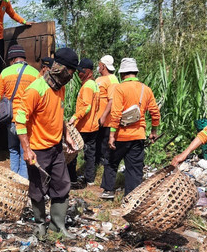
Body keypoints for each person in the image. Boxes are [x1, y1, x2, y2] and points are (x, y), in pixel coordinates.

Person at [15, 47, 79, 237]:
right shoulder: (35, 90)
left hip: (56, 148)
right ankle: (40, 226)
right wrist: (26, 150)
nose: (71, 76)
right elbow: (20, 119)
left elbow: (59, 113)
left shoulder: (60, 88)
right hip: (38, 150)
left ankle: (58, 226)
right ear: (59, 68)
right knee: (37, 189)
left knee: (61, 185)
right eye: (70, 71)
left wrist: (66, 133)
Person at [101, 58, 160, 199]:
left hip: (121, 135)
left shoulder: (120, 89)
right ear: (135, 72)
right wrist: (153, 131)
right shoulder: (146, 89)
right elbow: (155, 113)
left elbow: (115, 114)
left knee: (111, 161)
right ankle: (131, 198)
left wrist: (111, 136)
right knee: (134, 168)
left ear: (122, 74)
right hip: (138, 135)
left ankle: (109, 191)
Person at [0, 44, 39, 179]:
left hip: (11, 120)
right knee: (25, 149)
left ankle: (13, 178)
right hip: (27, 121)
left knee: (13, 150)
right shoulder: (35, 73)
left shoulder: (5, 73)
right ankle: (23, 182)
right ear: (23, 58)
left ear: (11, 60)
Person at [68, 58, 99, 186]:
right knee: (90, 153)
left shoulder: (87, 86)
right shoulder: (94, 84)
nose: (79, 74)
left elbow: (87, 106)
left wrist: (74, 117)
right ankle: (90, 179)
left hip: (84, 126)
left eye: (81, 71)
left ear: (88, 72)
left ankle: (72, 178)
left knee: (73, 153)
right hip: (93, 126)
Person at [96, 55, 119, 167]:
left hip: (106, 120)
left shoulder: (112, 80)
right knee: (97, 143)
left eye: (99, 64)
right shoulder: (99, 79)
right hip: (96, 118)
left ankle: (103, 166)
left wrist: (104, 116)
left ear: (103, 66)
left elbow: (112, 100)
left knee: (104, 143)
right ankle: (96, 163)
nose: (98, 66)